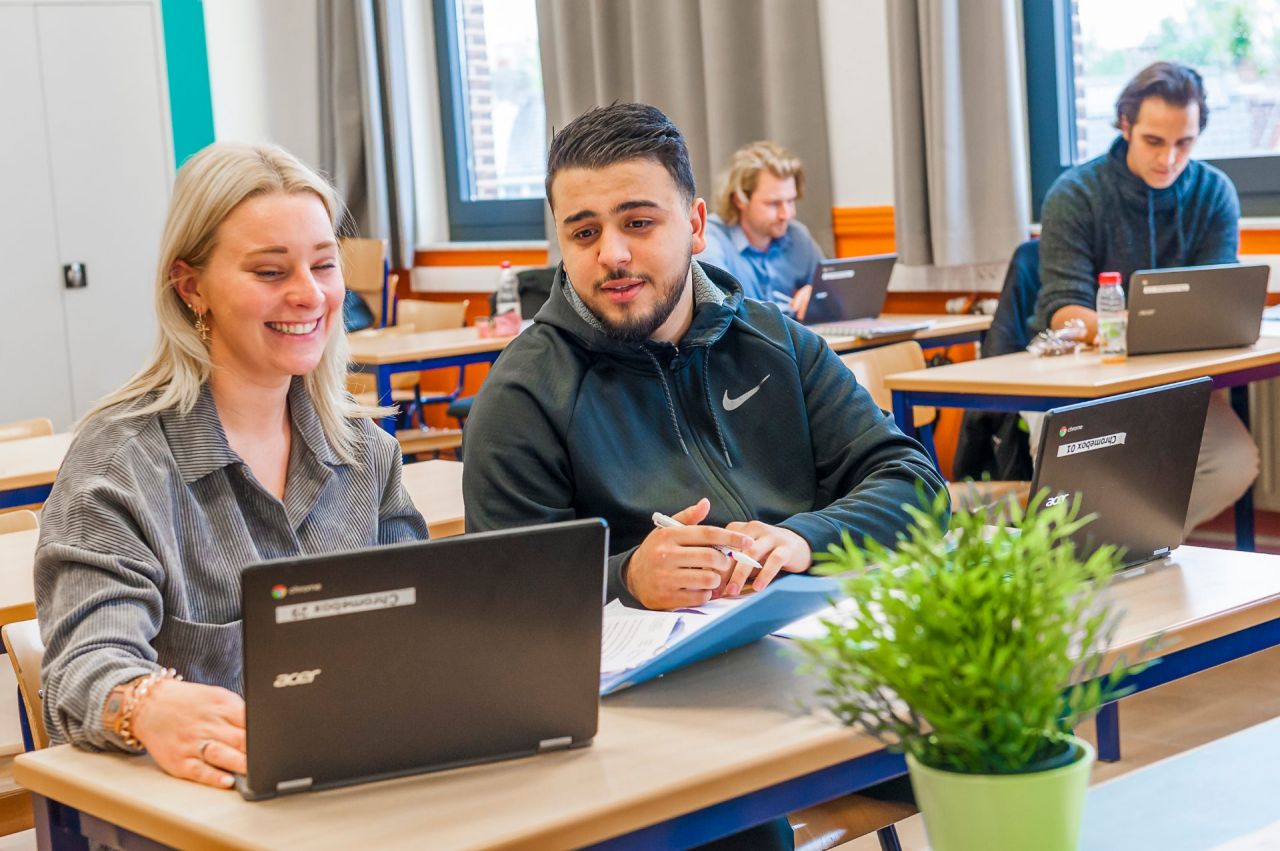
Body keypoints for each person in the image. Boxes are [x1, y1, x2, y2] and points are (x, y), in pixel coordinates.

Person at [34, 143, 428, 790]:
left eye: (324, 265)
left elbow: (420, 625)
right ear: (191, 288)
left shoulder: (365, 452)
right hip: (201, 810)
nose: (308, 295)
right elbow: (85, 664)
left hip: (352, 790)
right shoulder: (120, 463)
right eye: (270, 273)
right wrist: (145, 704)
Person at [463, 103, 944, 614]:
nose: (613, 254)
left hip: (812, 640)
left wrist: (805, 539)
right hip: (646, 681)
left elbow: (912, 483)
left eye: (639, 222)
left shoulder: (777, 341)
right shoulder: (524, 393)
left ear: (695, 226)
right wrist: (625, 577)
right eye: (584, 233)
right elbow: (501, 590)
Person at [1032, 60, 1258, 529]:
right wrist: (1134, 328)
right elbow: (1063, 311)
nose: (1169, 159)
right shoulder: (1075, 193)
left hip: (1175, 386)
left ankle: (1126, 545)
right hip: (1081, 389)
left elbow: (1215, 304)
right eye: (1154, 141)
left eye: (1185, 143)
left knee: (1234, 463)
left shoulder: (1214, 192)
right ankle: (1103, 555)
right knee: (1069, 483)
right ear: (1125, 124)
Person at [699, 140, 824, 318]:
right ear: (739, 200)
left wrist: (817, 294)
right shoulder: (709, 239)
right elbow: (722, 308)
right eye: (774, 204)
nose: (787, 214)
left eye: (790, 201)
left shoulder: (798, 236)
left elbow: (836, 292)